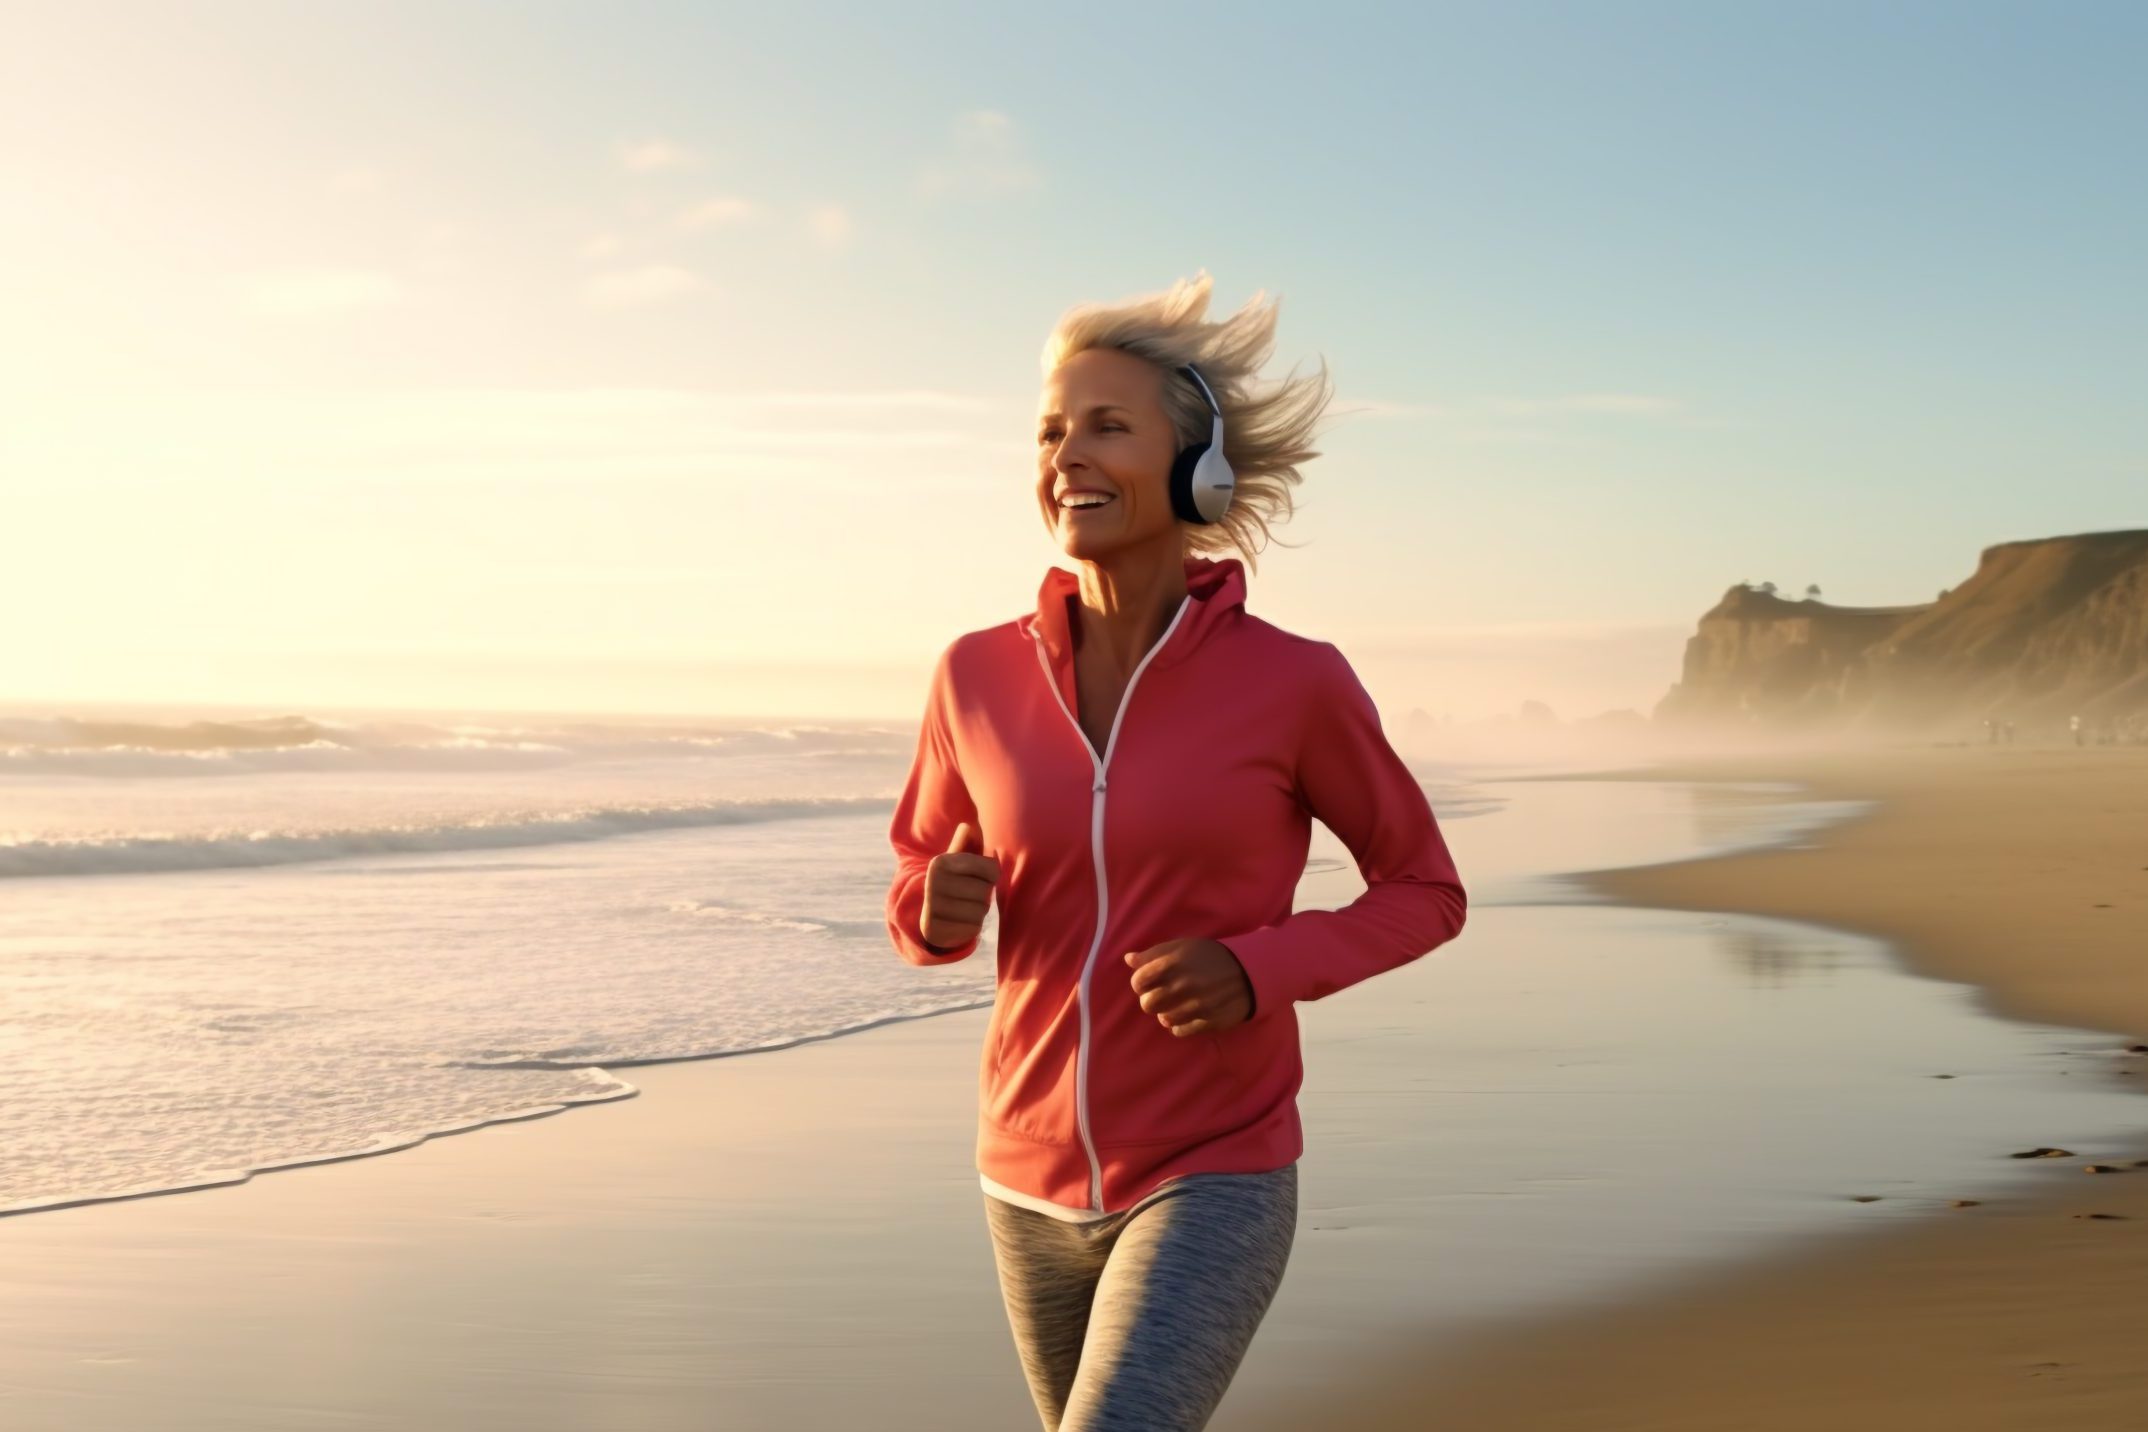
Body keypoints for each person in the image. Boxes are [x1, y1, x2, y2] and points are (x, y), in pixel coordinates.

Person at [885, 272, 1468, 1431]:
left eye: (1109, 425)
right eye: (1052, 431)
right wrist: (932, 912)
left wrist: (1262, 966)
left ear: (1198, 462)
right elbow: (915, 876)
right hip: (1022, 1173)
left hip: (1216, 1164)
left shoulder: (1295, 682)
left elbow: (1425, 891)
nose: (1068, 455)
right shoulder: (972, 675)